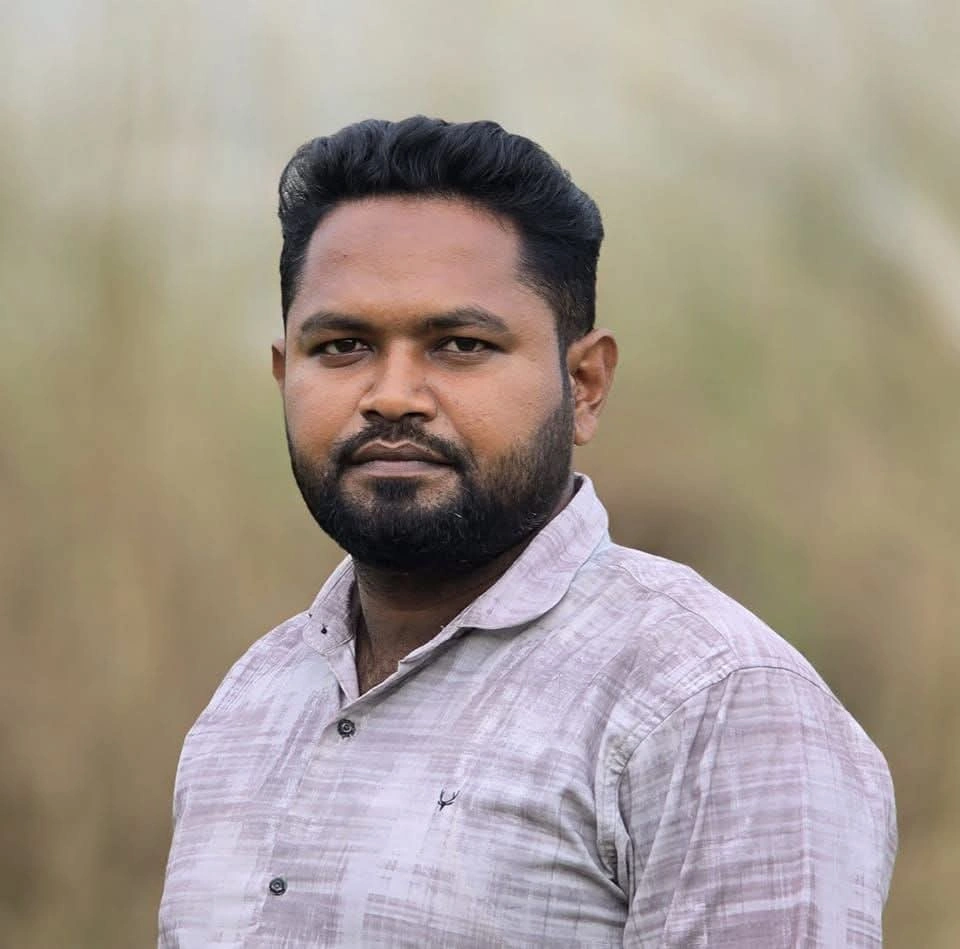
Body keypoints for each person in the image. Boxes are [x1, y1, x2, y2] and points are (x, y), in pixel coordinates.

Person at [158, 117, 897, 947]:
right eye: (342, 346)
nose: (392, 395)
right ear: (285, 374)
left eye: (460, 344)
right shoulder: (252, 703)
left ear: (584, 384)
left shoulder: (710, 701)